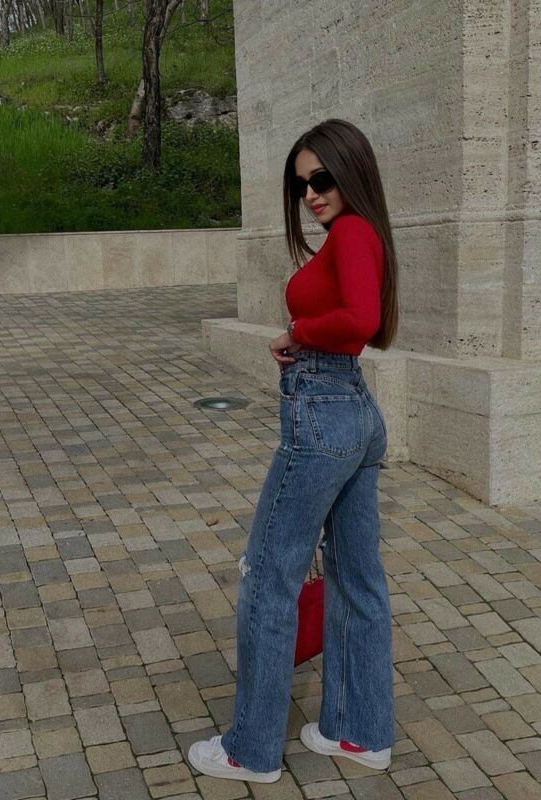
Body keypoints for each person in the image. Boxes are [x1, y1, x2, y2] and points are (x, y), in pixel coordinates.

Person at [188, 118, 400, 783]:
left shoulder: (353, 232)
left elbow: (362, 320)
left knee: (267, 574)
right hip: (352, 410)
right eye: (301, 182)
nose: (311, 193)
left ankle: (250, 749)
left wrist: (297, 332)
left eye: (322, 178)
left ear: (351, 172)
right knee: (357, 577)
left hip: (325, 415)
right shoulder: (359, 235)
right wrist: (308, 336)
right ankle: (358, 731)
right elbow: (361, 323)